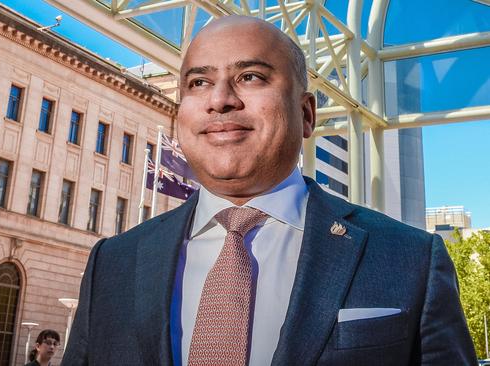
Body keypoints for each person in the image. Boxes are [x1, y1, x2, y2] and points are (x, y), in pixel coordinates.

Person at [62, 15, 476, 366]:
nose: (220, 100)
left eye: (250, 76)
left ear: (306, 113)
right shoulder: (111, 264)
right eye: (199, 82)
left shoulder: (410, 259)